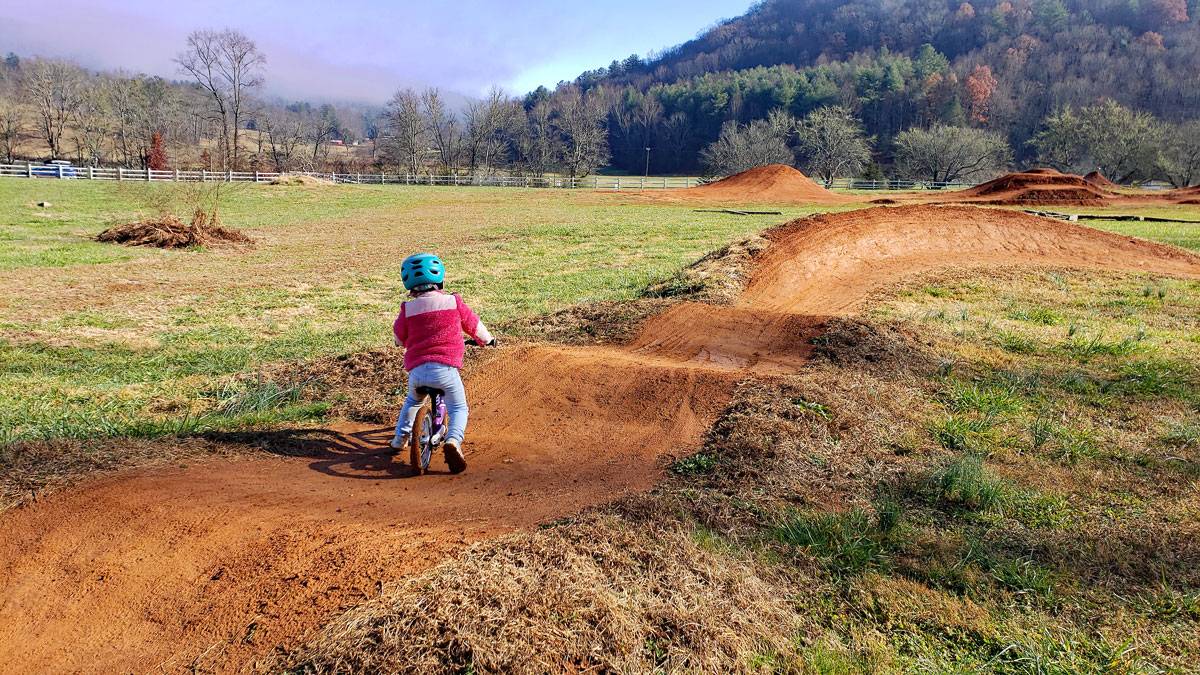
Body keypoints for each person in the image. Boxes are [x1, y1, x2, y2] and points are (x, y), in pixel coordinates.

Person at [390, 253, 494, 473]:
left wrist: (406, 340)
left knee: (412, 402)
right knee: (458, 407)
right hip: (445, 369)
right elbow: (474, 325)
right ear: (440, 279)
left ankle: (399, 439)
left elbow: (399, 338)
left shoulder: (407, 310)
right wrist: (487, 340)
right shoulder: (452, 302)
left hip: (417, 371)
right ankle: (453, 440)